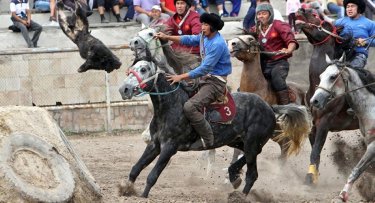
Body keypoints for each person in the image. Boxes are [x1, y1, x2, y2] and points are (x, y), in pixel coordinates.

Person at [155, 13, 231, 148]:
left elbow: (204, 69)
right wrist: (167, 37)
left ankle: (208, 139)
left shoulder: (218, 44)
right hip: (205, 78)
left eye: (206, 25)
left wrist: (180, 77)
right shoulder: (203, 37)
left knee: (190, 107)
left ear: (213, 27)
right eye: (202, 24)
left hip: (215, 82)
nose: (202, 27)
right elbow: (188, 39)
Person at [251, 3, 299, 104]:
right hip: (262, 64)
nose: (261, 16)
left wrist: (289, 49)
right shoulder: (254, 29)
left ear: (270, 14)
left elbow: (291, 40)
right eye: (259, 14)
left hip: (279, 62)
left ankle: (286, 106)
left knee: (277, 79)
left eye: (264, 13)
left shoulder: (279, 25)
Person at [335, 0, 375, 69]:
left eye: (352, 6)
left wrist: (365, 42)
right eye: (347, 7)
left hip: (358, 55)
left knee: (348, 71)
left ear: (359, 8)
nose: (349, 9)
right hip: (341, 54)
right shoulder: (339, 22)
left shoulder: (370, 23)